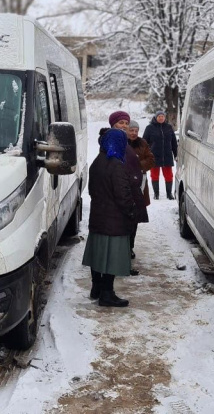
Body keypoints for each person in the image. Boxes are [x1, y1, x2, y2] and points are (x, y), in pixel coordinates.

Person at [83, 128, 135, 307]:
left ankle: (96, 288)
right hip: (114, 221)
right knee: (111, 258)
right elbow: (123, 196)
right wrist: (131, 211)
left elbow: (91, 191)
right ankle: (107, 294)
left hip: (98, 218)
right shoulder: (116, 165)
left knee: (97, 256)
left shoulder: (97, 162)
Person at [105, 111, 147, 275]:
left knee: (126, 229)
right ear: (113, 124)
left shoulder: (125, 142)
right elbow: (114, 168)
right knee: (118, 230)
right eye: (120, 122)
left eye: (126, 123)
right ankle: (115, 268)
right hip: (119, 194)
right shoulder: (113, 141)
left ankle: (121, 263)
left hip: (128, 193)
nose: (124, 125)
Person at [126, 119, 155, 256]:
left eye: (136, 131)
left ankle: (130, 246)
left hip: (140, 185)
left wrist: (138, 165)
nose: (133, 133)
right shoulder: (122, 143)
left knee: (135, 218)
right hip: (124, 184)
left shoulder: (143, 143)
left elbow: (151, 160)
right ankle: (122, 246)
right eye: (131, 130)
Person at [143, 111, 178, 200]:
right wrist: (145, 155)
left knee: (169, 175)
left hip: (167, 155)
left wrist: (176, 154)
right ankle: (156, 194)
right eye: (159, 116)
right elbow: (144, 142)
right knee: (154, 175)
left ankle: (169, 194)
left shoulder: (169, 127)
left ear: (164, 118)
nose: (161, 118)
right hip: (154, 156)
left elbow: (174, 142)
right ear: (155, 117)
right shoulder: (149, 128)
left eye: (162, 116)